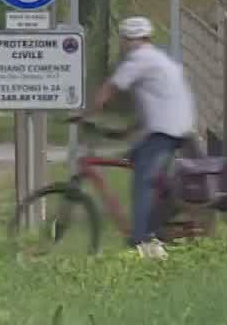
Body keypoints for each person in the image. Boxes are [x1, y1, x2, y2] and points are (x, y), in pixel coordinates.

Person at [80, 16, 197, 259]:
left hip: (165, 129)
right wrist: (129, 130)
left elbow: (110, 89)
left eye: (122, 39)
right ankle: (158, 220)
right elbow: (156, 99)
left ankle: (143, 239)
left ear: (126, 39)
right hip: (173, 126)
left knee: (143, 182)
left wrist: (86, 114)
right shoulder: (158, 57)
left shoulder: (138, 59)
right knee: (137, 159)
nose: (122, 44)